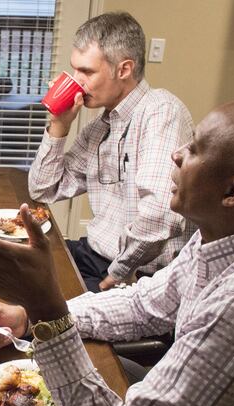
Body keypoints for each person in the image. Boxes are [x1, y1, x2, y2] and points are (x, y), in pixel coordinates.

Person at [0, 99, 234, 406]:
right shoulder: (218, 239)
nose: (176, 154)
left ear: (233, 190)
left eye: (194, 149)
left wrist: (46, 309)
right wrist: (29, 317)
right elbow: (143, 305)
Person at [28, 12, 196, 292]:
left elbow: (160, 215)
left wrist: (118, 271)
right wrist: (59, 125)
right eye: (74, 70)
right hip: (93, 255)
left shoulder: (161, 111)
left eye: (87, 72)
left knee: (33, 309)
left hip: (138, 275)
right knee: (13, 269)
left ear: (124, 69)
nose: (76, 81)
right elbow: (43, 190)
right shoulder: (99, 128)